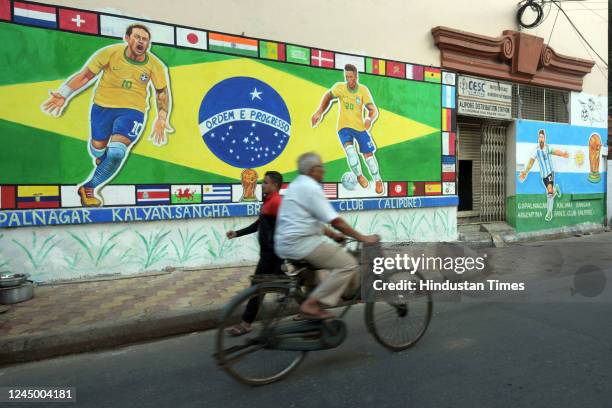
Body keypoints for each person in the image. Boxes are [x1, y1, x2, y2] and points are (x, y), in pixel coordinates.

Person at [41, 24, 173, 207]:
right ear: (127, 38)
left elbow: (161, 93)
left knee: (117, 152)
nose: (141, 41)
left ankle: (89, 187)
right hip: (102, 108)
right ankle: (102, 158)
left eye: (145, 39)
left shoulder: (155, 65)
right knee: (97, 148)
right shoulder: (110, 53)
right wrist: (64, 94)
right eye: (137, 37)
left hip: (132, 112)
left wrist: (162, 116)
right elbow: (85, 76)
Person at [275, 152, 379, 319]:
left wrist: (332, 235)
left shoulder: (296, 185)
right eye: (321, 168)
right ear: (313, 170)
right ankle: (310, 305)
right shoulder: (311, 188)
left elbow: (308, 219)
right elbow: (336, 221)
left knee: (314, 273)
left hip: (285, 244)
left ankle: (310, 319)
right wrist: (363, 238)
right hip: (301, 244)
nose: (323, 172)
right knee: (348, 264)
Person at [225, 171, 284, 335]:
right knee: (282, 285)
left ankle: (246, 323)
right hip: (268, 253)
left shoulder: (277, 202)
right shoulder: (268, 201)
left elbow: (287, 224)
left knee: (257, 287)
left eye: (265, 182)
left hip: (272, 255)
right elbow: (259, 224)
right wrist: (237, 233)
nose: (262, 185)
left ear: (274, 185)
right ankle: (307, 306)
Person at [311, 64, 384, 194]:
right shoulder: (340, 87)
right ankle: (359, 176)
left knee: (369, 157)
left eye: (351, 77)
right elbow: (328, 96)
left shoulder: (363, 90)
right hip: (343, 127)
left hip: (360, 128)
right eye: (346, 77)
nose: (348, 79)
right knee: (351, 153)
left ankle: (377, 180)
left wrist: (369, 119)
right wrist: (319, 112)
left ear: (356, 77)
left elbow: (373, 110)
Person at [519, 129, 569, 222]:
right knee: (551, 192)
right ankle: (556, 190)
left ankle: (549, 212)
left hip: (550, 172)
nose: (541, 139)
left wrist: (563, 154)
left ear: (544, 138)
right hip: (543, 176)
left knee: (549, 191)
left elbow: (555, 151)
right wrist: (525, 172)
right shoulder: (536, 151)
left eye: (542, 137)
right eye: (539, 137)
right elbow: (530, 163)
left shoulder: (547, 148)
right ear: (538, 139)